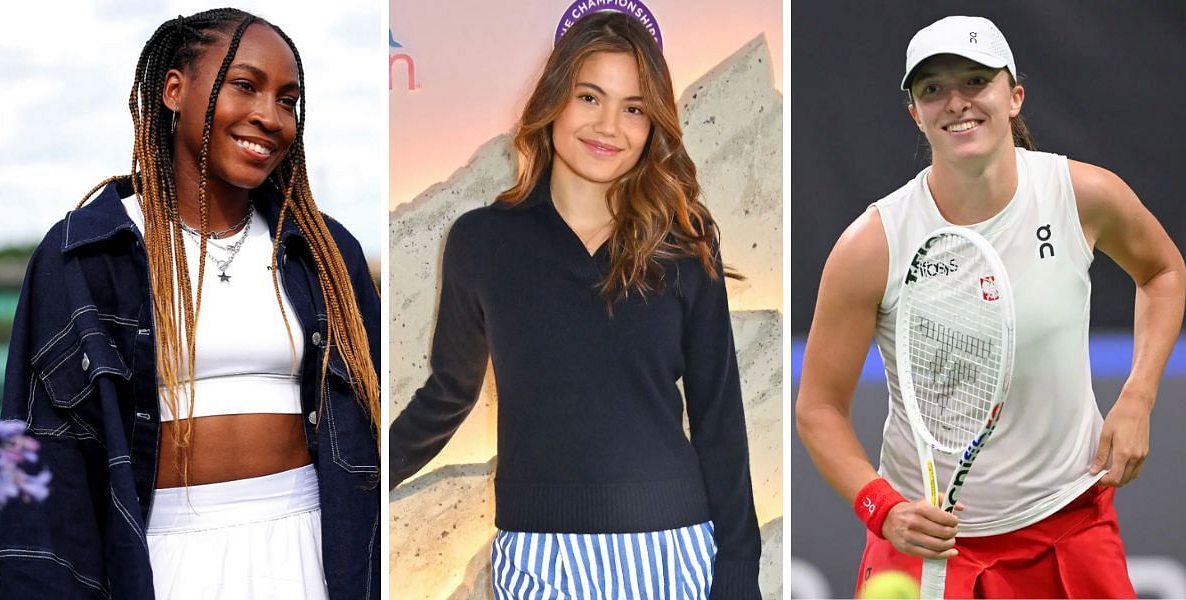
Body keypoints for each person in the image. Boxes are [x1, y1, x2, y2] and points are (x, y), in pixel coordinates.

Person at [796, 15, 1186, 598]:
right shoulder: (872, 244)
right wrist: (884, 509)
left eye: (976, 81)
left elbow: (1163, 271)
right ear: (915, 114)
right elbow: (819, 408)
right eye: (933, 90)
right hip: (924, 545)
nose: (956, 103)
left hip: (1069, 524)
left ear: (1013, 96)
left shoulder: (1081, 195)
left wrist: (1138, 397)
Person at [0, 9, 381, 599]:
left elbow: (372, 432)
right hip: (162, 556)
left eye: (288, 100)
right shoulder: (85, 256)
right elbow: (43, 461)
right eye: (245, 86)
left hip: (310, 549)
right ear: (174, 89)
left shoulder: (323, 254)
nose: (270, 117)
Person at [388, 11, 762, 599]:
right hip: (540, 559)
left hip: (675, 552)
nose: (609, 126)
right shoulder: (482, 241)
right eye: (591, 97)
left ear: (652, 124)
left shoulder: (684, 245)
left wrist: (739, 570)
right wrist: (362, 475)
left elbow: (719, 417)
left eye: (634, 108)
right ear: (555, 99)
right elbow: (448, 395)